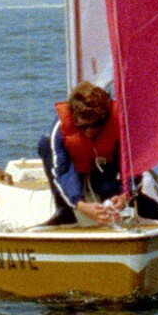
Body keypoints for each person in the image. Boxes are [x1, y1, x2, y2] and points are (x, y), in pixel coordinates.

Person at [37, 81, 129, 226]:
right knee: (45, 143)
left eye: (96, 125)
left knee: (113, 190)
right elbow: (62, 170)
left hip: (104, 169)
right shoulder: (60, 128)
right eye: (83, 126)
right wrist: (80, 205)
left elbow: (132, 163)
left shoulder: (118, 123)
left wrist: (125, 196)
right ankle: (65, 211)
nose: (90, 130)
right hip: (77, 171)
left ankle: (113, 201)